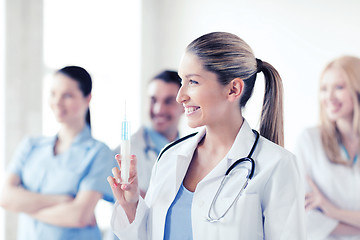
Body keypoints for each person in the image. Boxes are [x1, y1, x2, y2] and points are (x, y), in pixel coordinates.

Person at [107, 32, 305, 239]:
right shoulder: (169, 156)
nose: (180, 96)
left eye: (193, 82)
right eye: (182, 81)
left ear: (233, 89)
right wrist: (130, 206)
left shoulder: (277, 165)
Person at [0, 66, 115, 240]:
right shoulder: (31, 146)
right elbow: (5, 197)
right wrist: (61, 201)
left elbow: (79, 216)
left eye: (67, 95)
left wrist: (23, 205)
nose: (57, 102)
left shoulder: (99, 153)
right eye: (53, 94)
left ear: (88, 98)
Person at [294, 56, 360, 240]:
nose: (329, 97)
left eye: (339, 87)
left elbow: (323, 214)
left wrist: (333, 211)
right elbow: (304, 215)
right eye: (324, 89)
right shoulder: (309, 140)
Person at [113, 70, 184, 197]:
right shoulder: (122, 154)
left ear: (184, 105)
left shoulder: (192, 151)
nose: (158, 109)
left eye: (168, 101)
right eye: (153, 100)